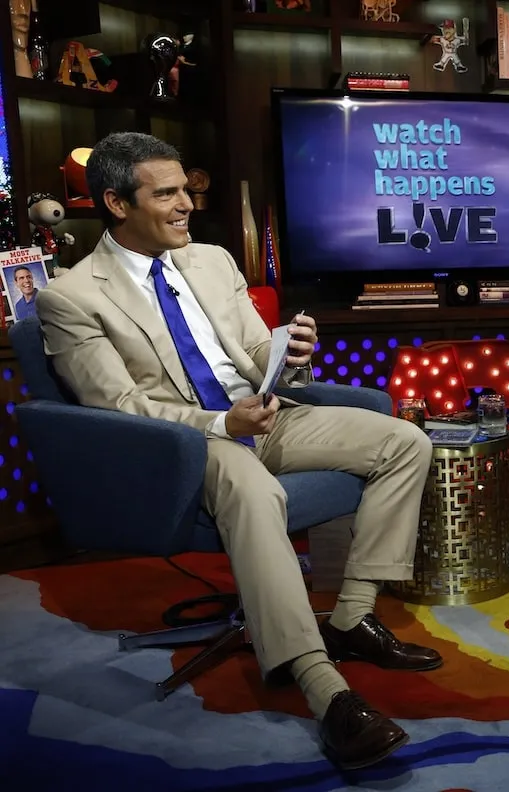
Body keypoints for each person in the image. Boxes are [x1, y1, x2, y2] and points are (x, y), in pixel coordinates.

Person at [35, 132, 439, 770]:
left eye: (185, 191)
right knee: (254, 489)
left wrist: (290, 360)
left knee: (405, 442)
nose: (184, 205)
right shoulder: (71, 297)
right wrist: (223, 424)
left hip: (262, 417)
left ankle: (351, 618)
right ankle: (323, 688)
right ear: (116, 203)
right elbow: (116, 407)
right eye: (165, 193)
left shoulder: (213, 260)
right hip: (189, 441)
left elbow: (254, 357)